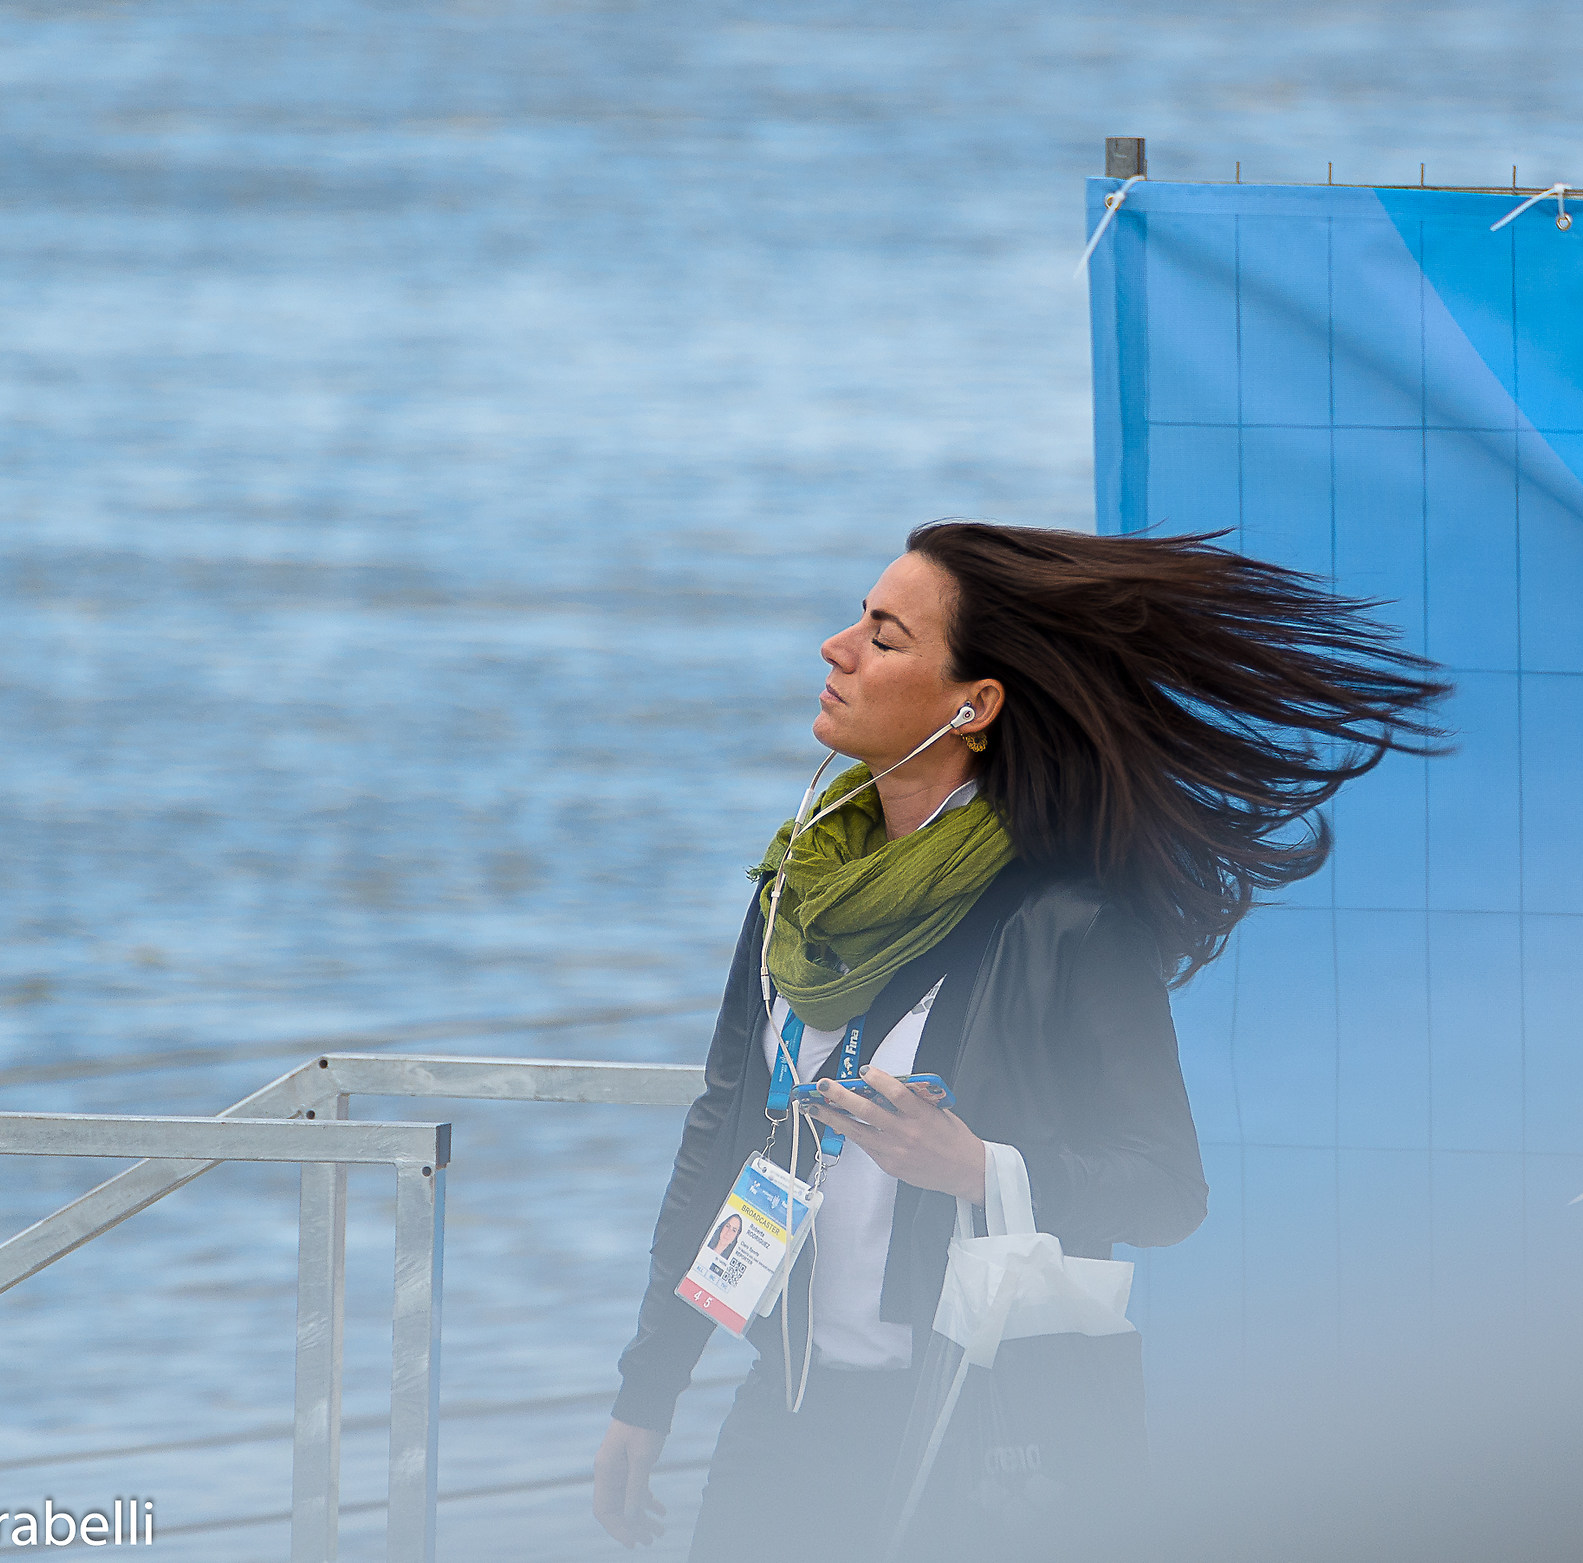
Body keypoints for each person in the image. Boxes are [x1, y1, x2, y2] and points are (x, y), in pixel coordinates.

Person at [591, 521, 1448, 1556]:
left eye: (885, 635)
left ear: (975, 704)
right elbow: (723, 1129)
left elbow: (1168, 1189)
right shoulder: (797, 894)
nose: (837, 648)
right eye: (857, 622)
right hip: (785, 1417)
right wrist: (649, 1388)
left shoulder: (1068, 920)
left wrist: (981, 1167)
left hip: (982, 1439)